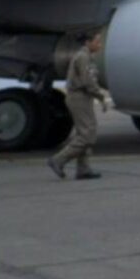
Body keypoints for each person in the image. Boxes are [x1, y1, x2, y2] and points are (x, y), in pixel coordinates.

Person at [48, 32, 110, 180]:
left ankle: (83, 169)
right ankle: (58, 160)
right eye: (97, 41)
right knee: (88, 135)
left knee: (84, 132)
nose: (100, 45)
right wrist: (101, 96)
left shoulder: (87, 56)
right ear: (88, 42)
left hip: (83, 97)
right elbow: (87, 81)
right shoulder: (83, 57)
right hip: (79, 97)